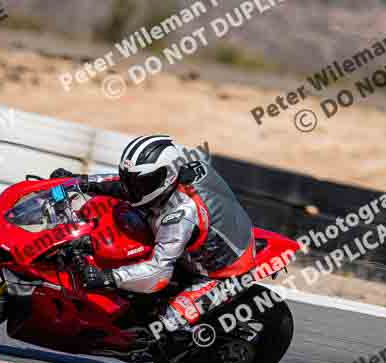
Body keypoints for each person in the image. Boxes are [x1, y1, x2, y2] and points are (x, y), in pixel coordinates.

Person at [50, 134, 256, 338]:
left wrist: (108, 277)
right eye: (131, 180)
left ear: (165, 177)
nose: (132, 189)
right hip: (207, 231)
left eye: (141, 183)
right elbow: (123, 185)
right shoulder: (162, 180)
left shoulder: (180, 215)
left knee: (165, 328)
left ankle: (189, 339)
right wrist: (79, 181)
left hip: (221, 270)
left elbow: (158, 274)